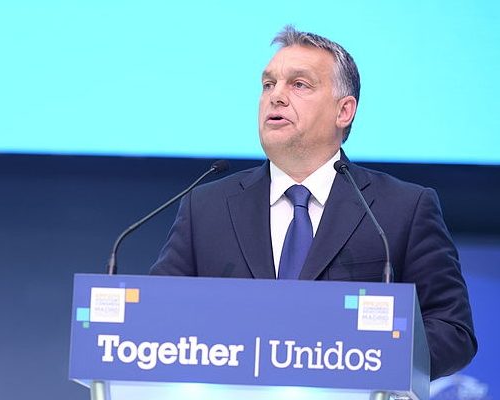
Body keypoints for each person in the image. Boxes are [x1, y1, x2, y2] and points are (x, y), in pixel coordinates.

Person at [150, 25, 477, 380]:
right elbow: (155, 316)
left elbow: (452, 330)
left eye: (299, 85)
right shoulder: (206, 207)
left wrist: (366, 360)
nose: (276, 96)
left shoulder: (402, 208)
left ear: (344, 111)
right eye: (268, 84)